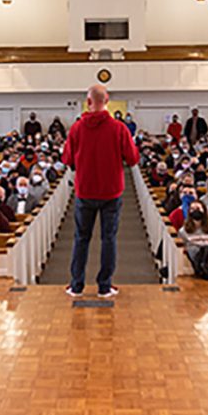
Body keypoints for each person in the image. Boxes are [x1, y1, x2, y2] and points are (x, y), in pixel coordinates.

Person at [62, 84, 139, 298]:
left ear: (88, 102)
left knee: (81, 239)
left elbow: (67, 159)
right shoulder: (119, 128)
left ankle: (76, 286)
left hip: (85, 191)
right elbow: (133, 159)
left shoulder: (76, 128)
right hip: (111, 192)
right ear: (106, 102)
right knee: (108, 239)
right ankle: (104, 286)